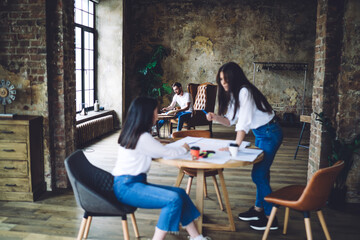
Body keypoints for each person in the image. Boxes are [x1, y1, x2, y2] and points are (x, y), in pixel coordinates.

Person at [112, 96, 210, 240]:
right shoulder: (143, 137)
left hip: (126, 184)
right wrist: (184, 147)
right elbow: (168, 153)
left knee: (180, 193)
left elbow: (154, 150)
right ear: (147, 114)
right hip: (128, 187)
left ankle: (196, 237)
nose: (157, 115)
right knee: (173, 199)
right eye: (156, 112)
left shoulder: (132, 133)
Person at [205, 62, 283, 231]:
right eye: (221, 79)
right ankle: (258, 209)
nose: (223, 83)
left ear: (234, 77)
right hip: (262, 134)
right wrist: (215, 117)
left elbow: (244, 122)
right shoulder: (234, 94)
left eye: (226, 79)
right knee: (262, 174)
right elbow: (230, 120)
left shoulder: (244, 91)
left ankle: (271, 219)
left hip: (270, 133)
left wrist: (235, 145)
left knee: (258, 175)